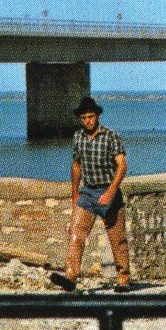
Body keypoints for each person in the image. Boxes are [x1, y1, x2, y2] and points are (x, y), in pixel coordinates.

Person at [49, 95, 131, 292]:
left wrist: (111, 191)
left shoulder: (111, 136)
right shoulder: (78, 137)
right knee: (76, 234)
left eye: (91, 116)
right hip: (87, 192)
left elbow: (122, 165)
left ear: (98, 116)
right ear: (80, 119)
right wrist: (74, 193)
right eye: (84, 117)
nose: (88, 121)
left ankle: (123, 279)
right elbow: (76, 165)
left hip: (107, 190)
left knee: (117, 238)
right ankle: (70, 276)